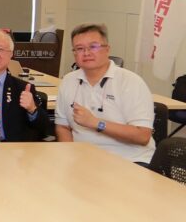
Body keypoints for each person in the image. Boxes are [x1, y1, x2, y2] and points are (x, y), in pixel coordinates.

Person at [54, 23, 155, 163]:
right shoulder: (68, 81)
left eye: (93, 47)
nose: (86, 53)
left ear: (107, 49)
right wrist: (70, 156)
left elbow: (142, 136)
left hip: (128, 160)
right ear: (74, 53)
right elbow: (63, 127)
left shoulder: (130, 82)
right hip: (83, 160)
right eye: (80, 48)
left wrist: (95, 123)